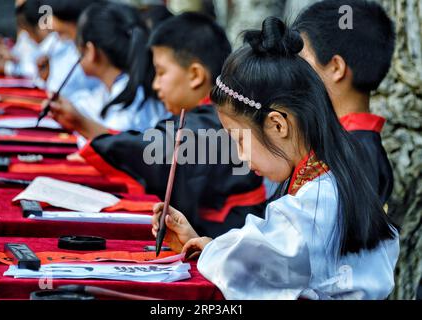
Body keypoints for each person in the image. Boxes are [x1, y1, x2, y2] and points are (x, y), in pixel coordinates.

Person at [151, 17, 399, 300]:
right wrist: (208, 246)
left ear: (278, 125)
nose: (241, 156)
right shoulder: (324, 178)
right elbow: (265, 259)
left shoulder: (318, 200)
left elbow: (257, 268)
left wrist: (212, 252)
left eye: (239, 140)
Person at [52, 13, 267, 237]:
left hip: (233, 236)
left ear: (195, 75)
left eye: (161, 72)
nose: (155, 84)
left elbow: (156, 148)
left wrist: (93, 136)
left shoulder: (214, 121)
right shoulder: (205, 116)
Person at [293, 0, 395, 205]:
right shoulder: (350, 144)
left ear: (336, 68)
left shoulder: (353, 155)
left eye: (302, 61)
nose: (293, 74)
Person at [45, 2, 169, 135]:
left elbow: (117, 147)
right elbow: (88, 105)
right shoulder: (112, 89)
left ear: (90, 51)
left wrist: (82, 124)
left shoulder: (131, 101)